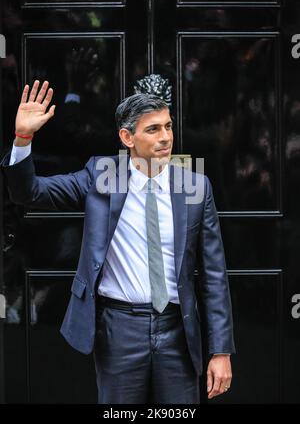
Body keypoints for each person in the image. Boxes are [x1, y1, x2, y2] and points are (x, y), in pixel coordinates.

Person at [0, 80, 235, 404]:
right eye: (153, 129)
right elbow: (30, 192)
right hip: (120, 328)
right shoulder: (101, 175)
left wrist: (221, 349)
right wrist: (23, 138)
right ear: (127, 137)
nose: (165, 137)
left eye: (168, 126)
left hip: (178, 330)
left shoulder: (195, 185)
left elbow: (214, 275)